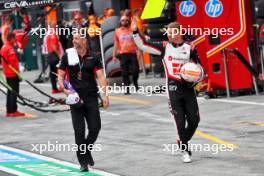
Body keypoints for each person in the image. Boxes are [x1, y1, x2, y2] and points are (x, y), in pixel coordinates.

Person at [132, 21, 201, 163]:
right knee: (180, 123)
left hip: (188, 88)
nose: (168, 35)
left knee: (194, 120)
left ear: (179, 33)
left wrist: (197, 77)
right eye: (167, 32)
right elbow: (142, 45)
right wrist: (135, 32)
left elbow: (200, 67)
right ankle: (185, 150)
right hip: (172, 89)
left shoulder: (190, 47)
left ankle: (181, 140)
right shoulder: (164, 47)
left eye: (170, 32)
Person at [58, 33, 109, 172]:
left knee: (95, 128)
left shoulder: (94, 56)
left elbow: (101, 77)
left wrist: (105, 95)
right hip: (75, 98)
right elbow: (60, 77)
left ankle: (86, 150)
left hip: (91, 97)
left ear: (84, 40)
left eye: (77, 38)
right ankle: (83, 162)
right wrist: (64, 90)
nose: (74, 41)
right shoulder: (67, 56)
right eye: (73, 38)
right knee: (79, 131)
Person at [113, 15, 139, 94]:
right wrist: (114, 55)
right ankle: (127, 89)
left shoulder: (133, 29)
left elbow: (138, 41)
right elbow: (116, 43)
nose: (124, 21)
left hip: (132, 53)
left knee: (135, 70)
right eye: (122, 20)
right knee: (124, 73)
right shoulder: (117, 31)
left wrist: (139, 53)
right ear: (120, 22)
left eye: (126, 20)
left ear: (128, 21)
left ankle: (135, 82)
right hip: (123, 54)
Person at [0, 32, 25, 117]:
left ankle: (9, 110)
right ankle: (13, 111)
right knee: (14, 92)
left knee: (10, 92)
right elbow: (13, 63)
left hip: (7, 73)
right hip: (12, 73)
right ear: (11, 38)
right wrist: (18, 74)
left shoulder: (4, 47)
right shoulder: (9, 49)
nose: (15, 40)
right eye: (14, 38)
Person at [46, 22, 63, 94]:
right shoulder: (53, 34)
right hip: (53, 55)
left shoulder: (49, 34)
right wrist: (58, 54)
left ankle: (54, 88)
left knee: (53, 72)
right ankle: (59, 87)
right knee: (58, 72)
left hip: (50, 55)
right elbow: (53, 46)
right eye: (55, 26)